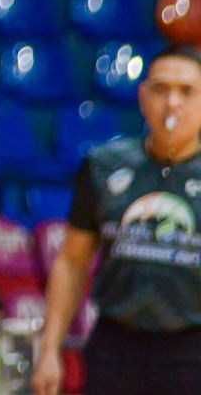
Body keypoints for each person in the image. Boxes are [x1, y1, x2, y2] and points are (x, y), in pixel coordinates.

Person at [36, 45, 201, 395]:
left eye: (187, 91)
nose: (172, 103)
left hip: (192, 350)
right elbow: (72, 261)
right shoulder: (103, 166)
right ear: (143, 97)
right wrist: (49, 349)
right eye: (161, 89)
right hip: (115, 349)